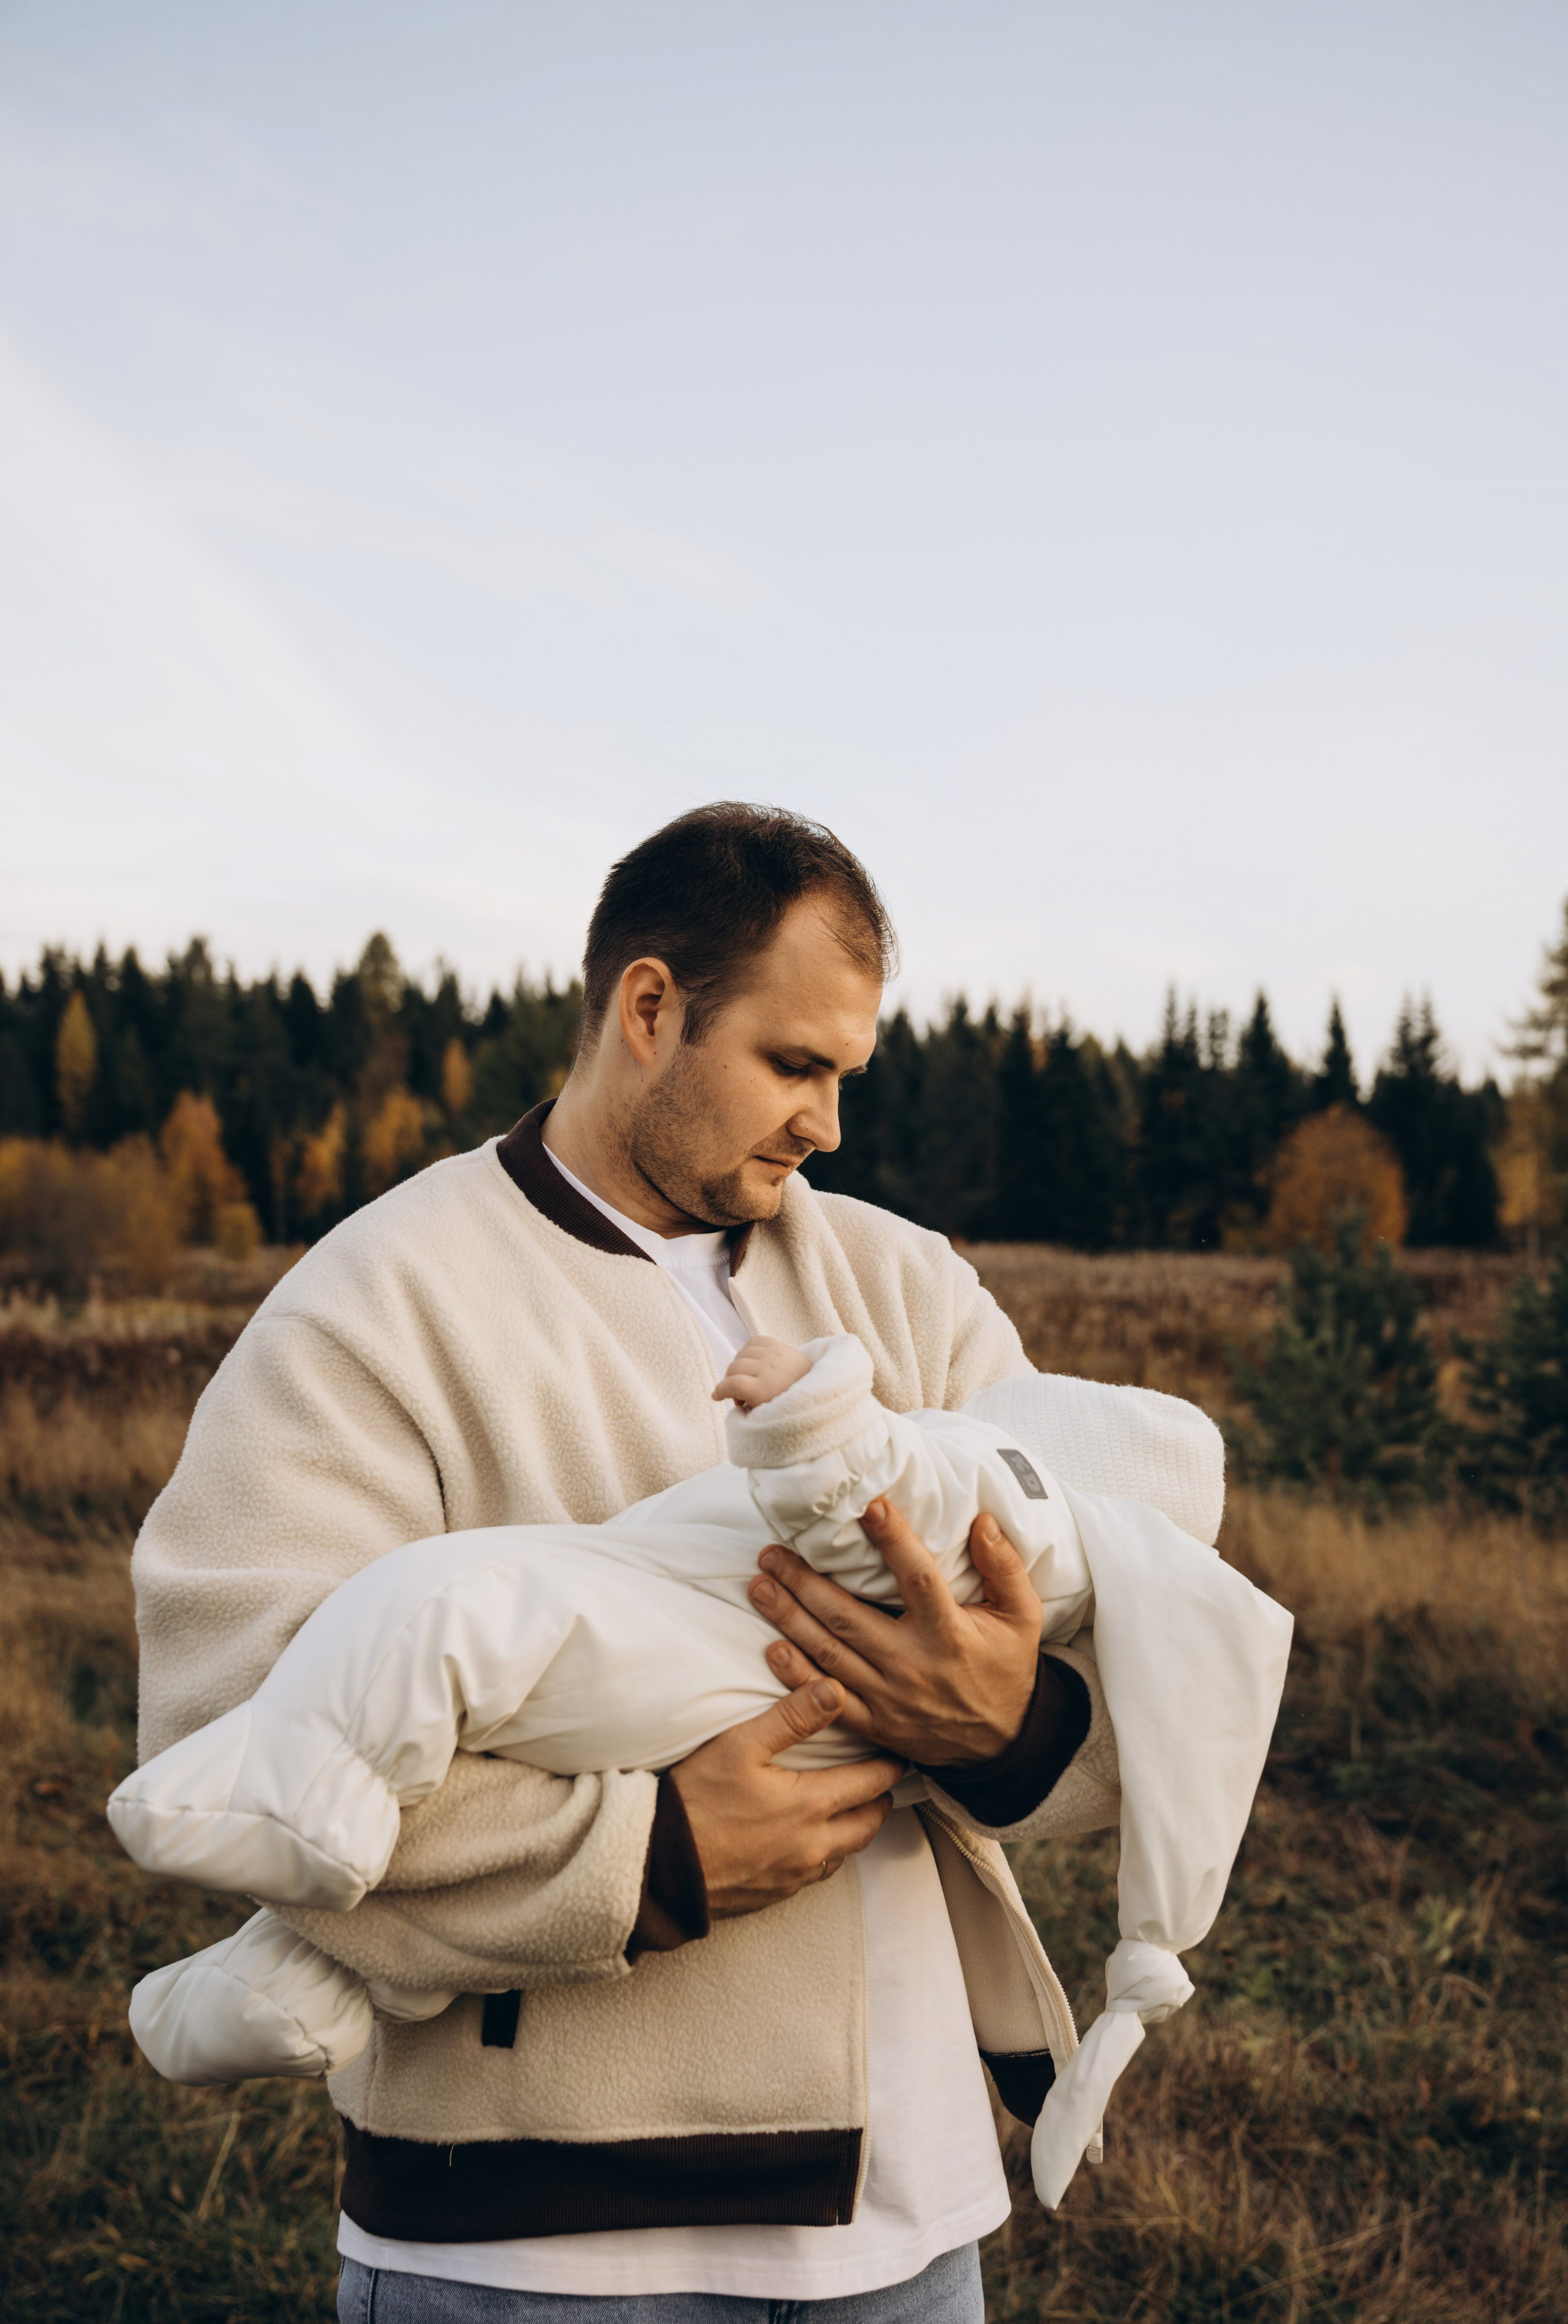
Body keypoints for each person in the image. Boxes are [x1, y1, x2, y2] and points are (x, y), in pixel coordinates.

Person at [132, 804, 1131, 2322]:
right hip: (536, 2250)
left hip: (913, 2227)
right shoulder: (372, 1310)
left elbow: (1128, 1675)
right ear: (648, 1009)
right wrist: (646, 1858)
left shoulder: (910, 1292)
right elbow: (237, 1756)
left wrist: (996, 1718)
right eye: (795, 1066)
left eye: (846, 1076)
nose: (828, 1127)